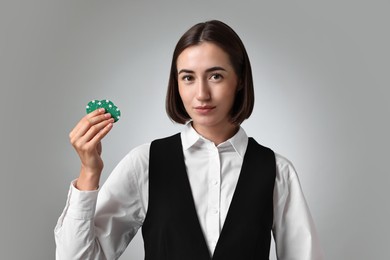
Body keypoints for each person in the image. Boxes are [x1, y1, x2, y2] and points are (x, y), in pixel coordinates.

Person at [55, 20, 324, 259]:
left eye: (215, 76)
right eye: (188, 78)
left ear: (240, 81)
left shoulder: (277, 171)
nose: (202, 94)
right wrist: (89, 173)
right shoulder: (144, 164)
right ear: (177, 83)